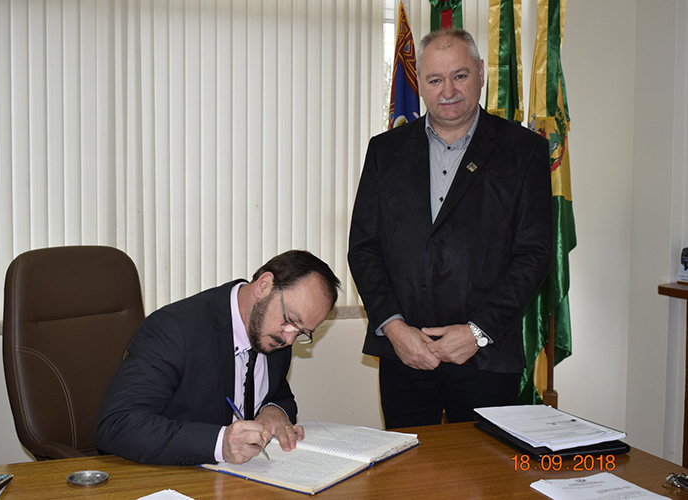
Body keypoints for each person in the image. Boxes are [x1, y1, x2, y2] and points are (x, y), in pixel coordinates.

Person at [348, 28, 552, 429]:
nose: (449, 91)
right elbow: (364, 248)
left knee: (485, 466)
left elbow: (534, 254)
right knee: (408, 465)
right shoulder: (385, 151)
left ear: (480, 72)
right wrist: (394, 329)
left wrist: (477, 332)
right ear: (420, 85)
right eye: (435, 80)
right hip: (405, 353)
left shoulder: (524, 150)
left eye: (460, 76)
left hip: (486, 355)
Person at [95, 250, 341, 465]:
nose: (289, 339)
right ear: (264, 286)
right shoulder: (176, 329)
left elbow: (279, 393)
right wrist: (219, 444)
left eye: (302, 332)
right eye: (291, 321)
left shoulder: (275, 334)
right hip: (172, 479)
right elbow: (116, 424)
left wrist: (273, 410)